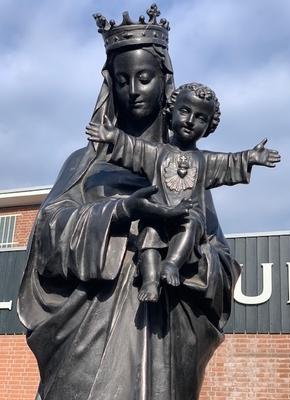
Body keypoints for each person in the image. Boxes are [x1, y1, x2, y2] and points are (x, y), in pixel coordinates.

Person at [18, 6, 242, 400]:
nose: (133, 90)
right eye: (122, 80)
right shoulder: (85, 163)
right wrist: (123, 212)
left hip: (165, 340)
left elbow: (222, 261)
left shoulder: (186, 168)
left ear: (164, 82)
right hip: (91, 340)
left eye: (144, 78)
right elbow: (46, 238)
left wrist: (186, 255)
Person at [86, 82, 280, 303]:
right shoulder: (156, 153)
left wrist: (251, 158)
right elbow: (133, 148)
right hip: (160, 212)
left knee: (192, 222)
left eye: (200, 118)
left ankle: (171, 265)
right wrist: (113, 136)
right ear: (172, 111)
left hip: (187, 216)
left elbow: (230, 163)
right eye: (185, 111)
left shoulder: (206, 161)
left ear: (208, 127)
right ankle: (150, 281)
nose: (190, 121)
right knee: (149, 231)